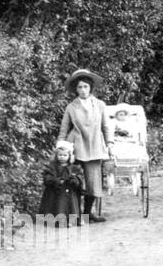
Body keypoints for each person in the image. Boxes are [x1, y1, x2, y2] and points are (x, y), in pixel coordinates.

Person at [57, 69, 112, 222]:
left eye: (86, 87)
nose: (83, 90)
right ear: (76, 89)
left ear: (91, 88)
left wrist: (110, 144)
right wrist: (60, 148)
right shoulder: (71, 107)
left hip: (95, 146)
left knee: (93, 183)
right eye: (80, 87)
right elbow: (64, 129)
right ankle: (72, 213)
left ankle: (88, 214)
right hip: (75, 146)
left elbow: (106, 126)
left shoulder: (100, 105)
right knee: (72, 180)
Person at [38, 140, 85, 225]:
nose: (62, 157)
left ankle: (71, 220)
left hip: (70, 192)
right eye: (60, 155)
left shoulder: (74, 168)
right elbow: (47, 178)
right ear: (56, 155)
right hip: (55, 191)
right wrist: (56, 181)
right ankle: (56, 220)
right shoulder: (52, 166)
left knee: (69, 201)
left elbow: (80, 179)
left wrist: (74, 180)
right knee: (58, 202)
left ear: (69, 156)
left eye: (65, 155)